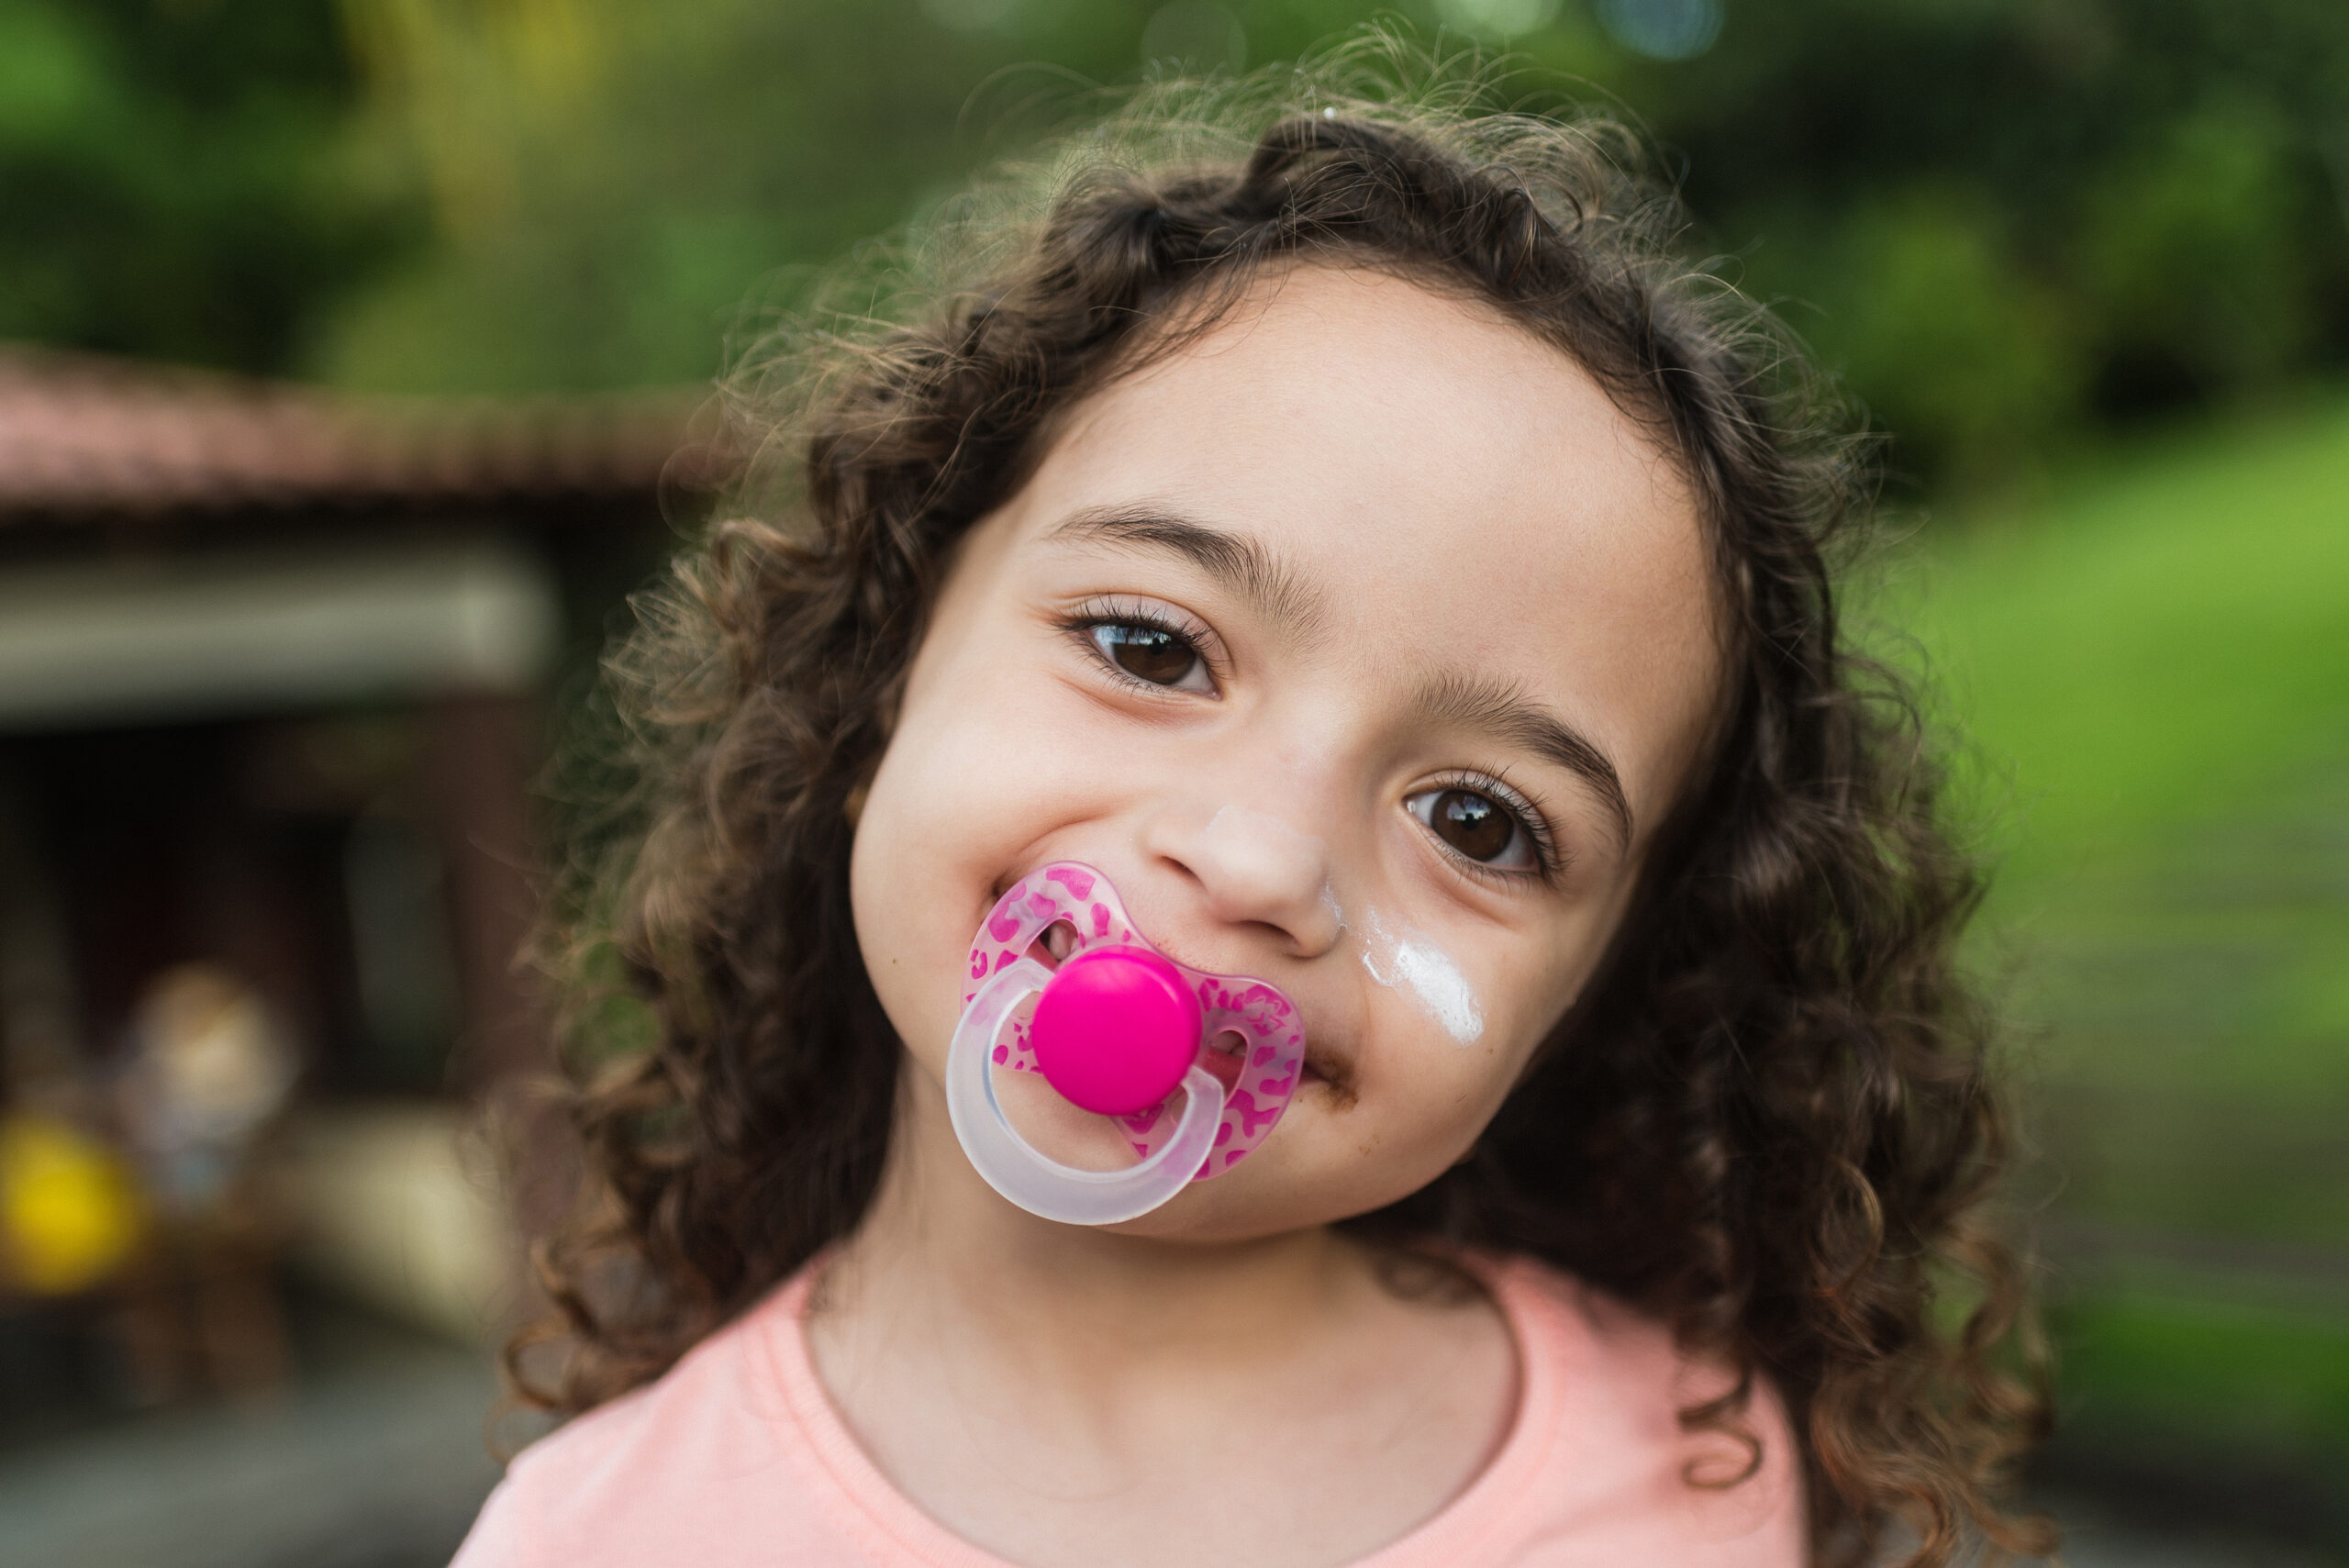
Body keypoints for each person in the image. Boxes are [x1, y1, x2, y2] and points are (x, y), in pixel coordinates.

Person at [455, 51, 2053, 1568]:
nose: (1263, 859)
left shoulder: (1695, 1473)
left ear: (1600, 987)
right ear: (886, 668)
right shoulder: (590, 1536)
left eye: (1483, 823)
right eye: (1150, 646)